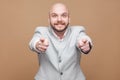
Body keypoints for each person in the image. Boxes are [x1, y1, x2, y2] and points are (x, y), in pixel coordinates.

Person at [29, 3, 92, 80]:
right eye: (54, 16)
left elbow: (84, 38)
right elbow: (33, 42)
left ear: (69, 18)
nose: (59, 19)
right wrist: (37, 45)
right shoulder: (41, 32)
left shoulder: (78, 31)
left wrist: (86, 45)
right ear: (49, 19)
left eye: (64, 15)